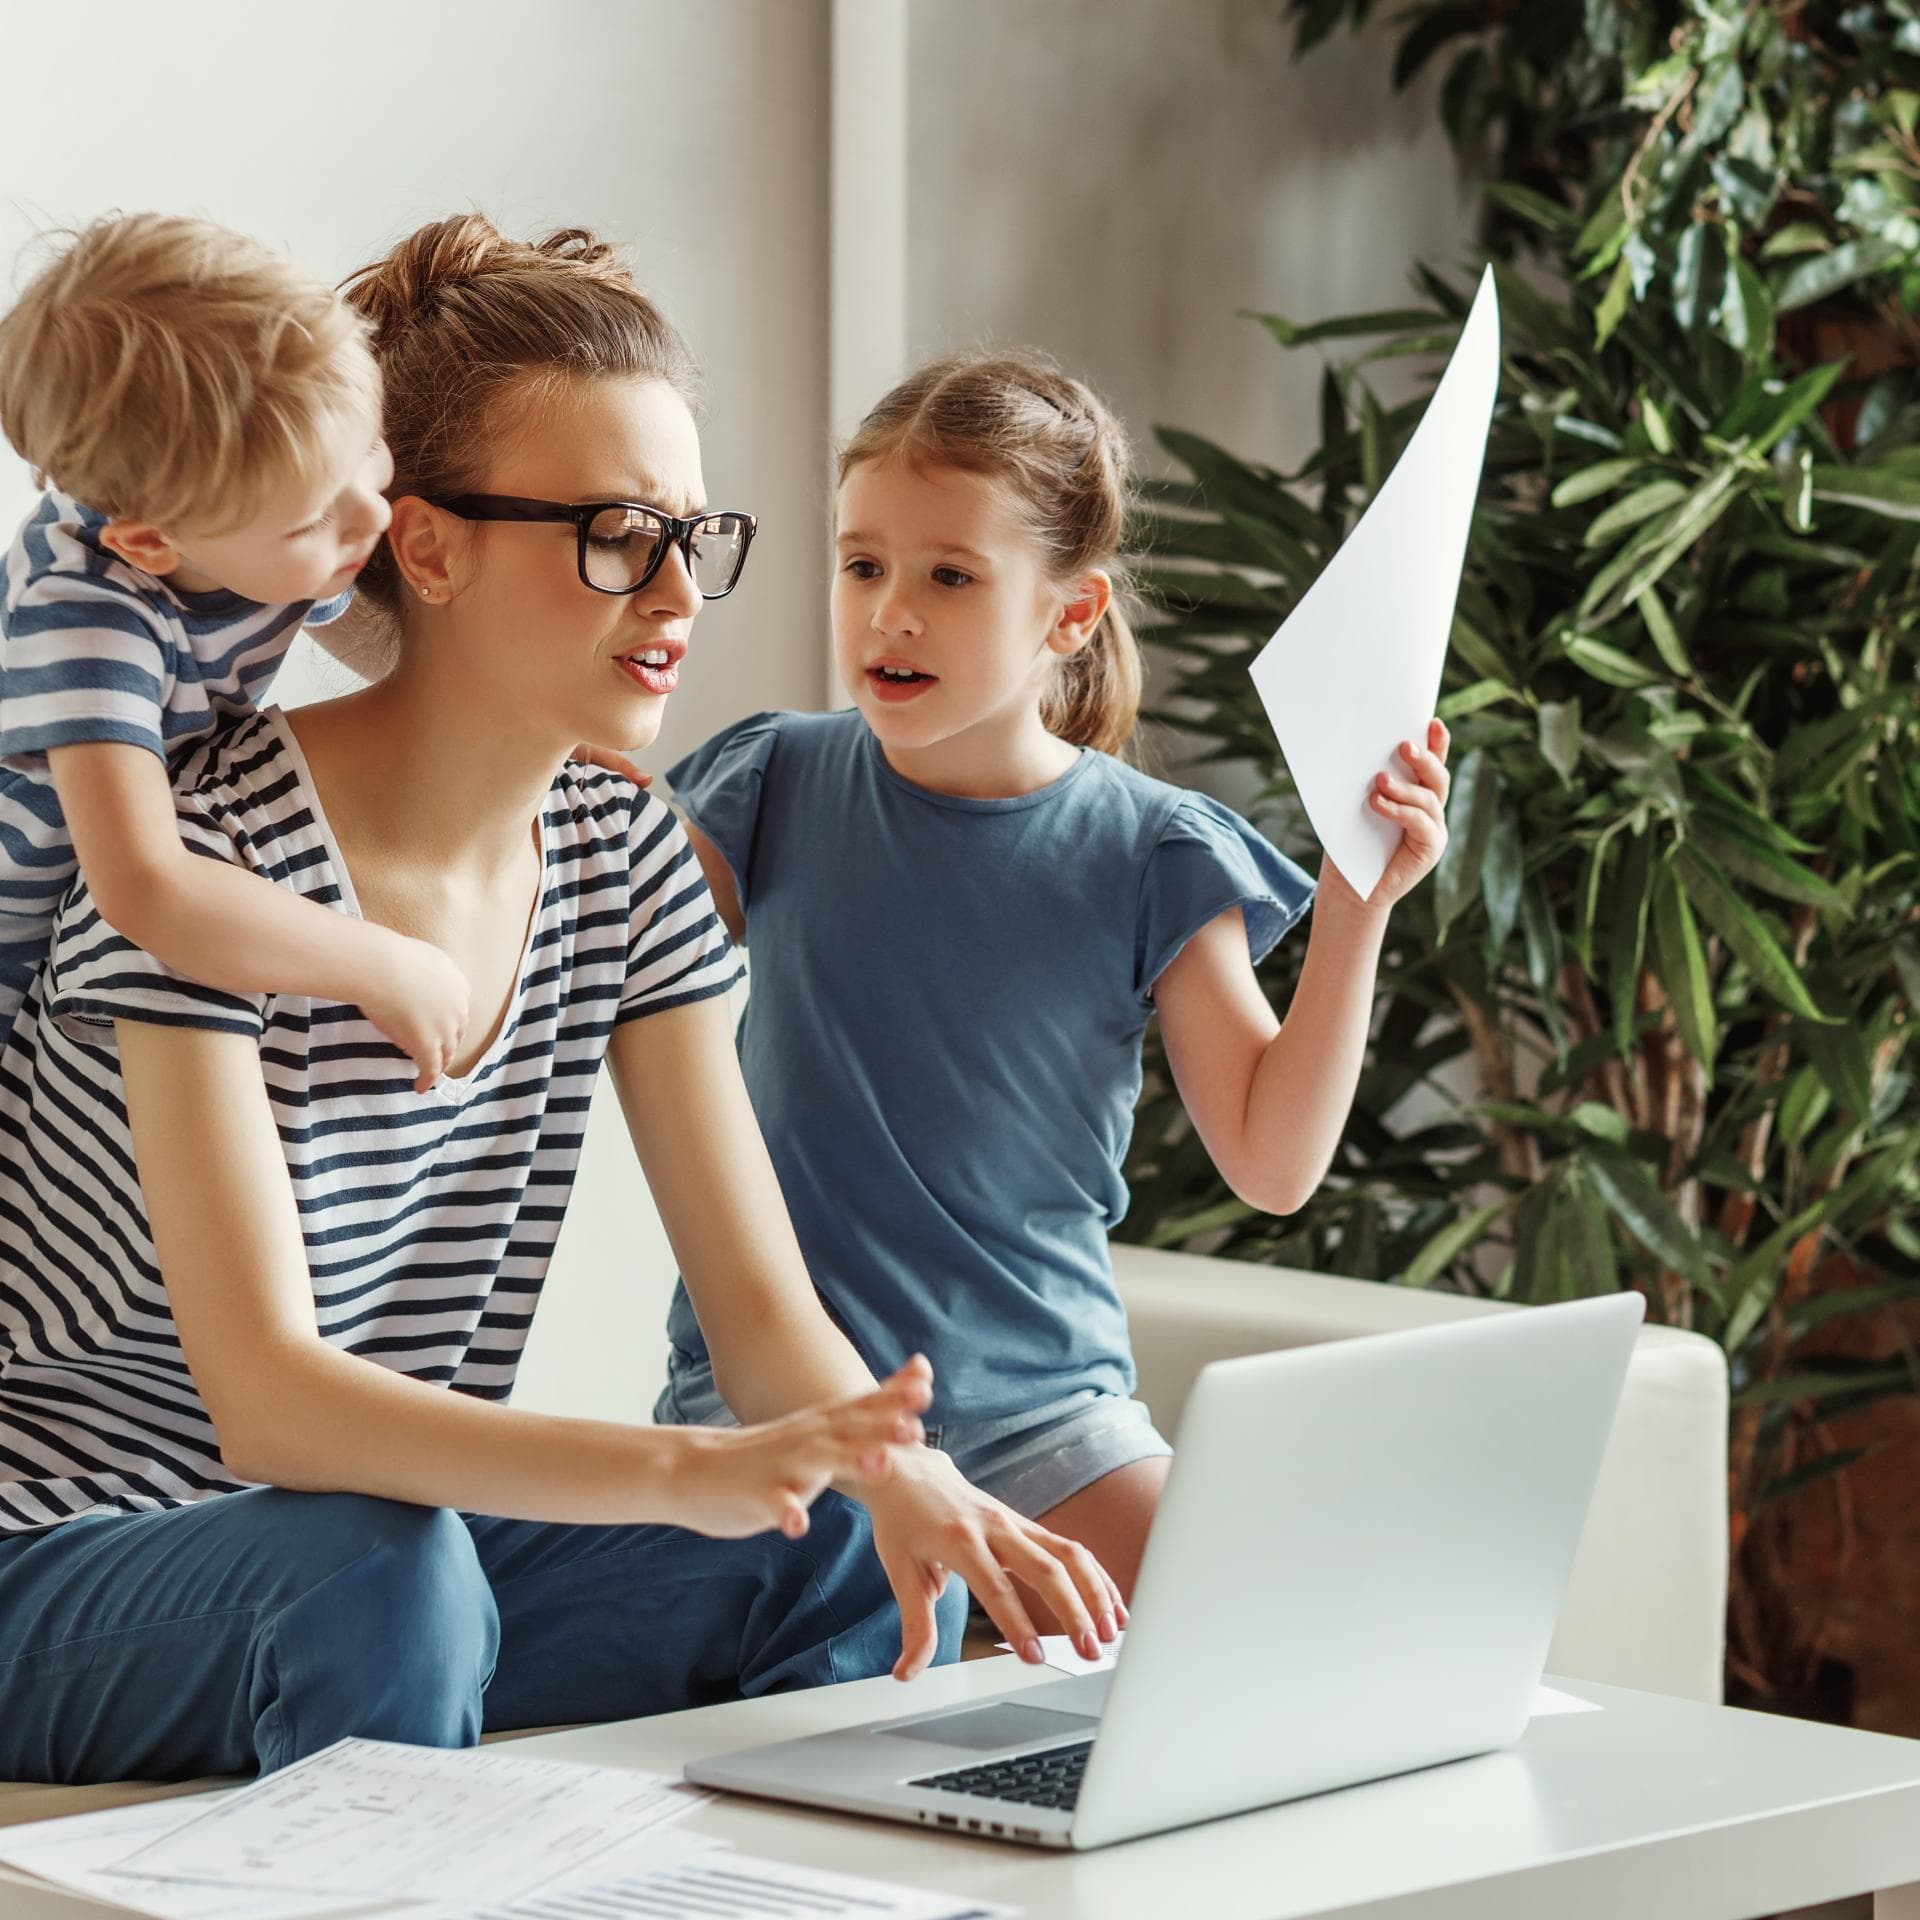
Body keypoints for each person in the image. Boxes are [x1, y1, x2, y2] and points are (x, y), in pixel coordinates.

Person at [0, 220, 1119, 1788]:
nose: (675, 592)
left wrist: (898, 1475)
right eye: (610, 533)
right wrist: (687, 1469)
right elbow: (267, 1413)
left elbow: (763, 1319)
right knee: (376, 1574)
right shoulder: (208, 856)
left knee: (826, 1544)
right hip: (71, 1556)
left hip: (393, 1554)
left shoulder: (621, 850)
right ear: (430, 547)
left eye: (690, 532)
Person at [661, 350, 1452, 1616]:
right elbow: (575, 972)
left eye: (950, 577)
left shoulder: (1155, 852)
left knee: (1245, 1642)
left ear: (1069, 614)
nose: (889, 614)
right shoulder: (769, 787)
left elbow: (1271, 1161)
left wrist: (1359, 909)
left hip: (1048, 1423)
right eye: (862, 565)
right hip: (787, 1420)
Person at [0, 211, 473, 1086]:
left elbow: (386, 643)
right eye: (312, 518)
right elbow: (146, 886)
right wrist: (379, 963)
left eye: (368, 451)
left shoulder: (275, 516)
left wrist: (512, 714)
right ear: (150, 545)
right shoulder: (83, 613)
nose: (371, 515)